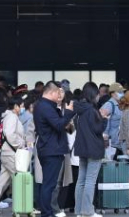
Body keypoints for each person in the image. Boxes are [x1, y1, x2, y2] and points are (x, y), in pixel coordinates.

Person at [34, 81, 75, 217]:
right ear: (52, 92)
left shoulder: (47, 106)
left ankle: (47, 212)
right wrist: (68, 112)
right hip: (51, 150)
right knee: (49, 185)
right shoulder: (45, 107)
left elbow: (62, 126)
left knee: (49, 184)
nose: (60, 96)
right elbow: (58, 125)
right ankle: (46, 213)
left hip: (51, 148)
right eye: (58, 93)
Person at [0, 96, 27, 214]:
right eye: (21, 106)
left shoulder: (7, 116)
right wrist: (20, 144)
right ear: (16, 106)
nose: (23, 108)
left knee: (3, 179)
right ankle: (22, 207)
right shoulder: (12, 117)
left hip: (7, 152)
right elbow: (9, 134)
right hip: (11, 152)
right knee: (20, 179)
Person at [72, 82, 107, 217]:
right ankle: (88, 211)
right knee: (90, 181)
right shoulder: (92, 111)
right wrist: (104, 119)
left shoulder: (78, 109)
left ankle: (79, 211)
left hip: (81, 148)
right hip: (93, 148)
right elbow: (98, 129)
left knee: (81, 181)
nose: (98, 96)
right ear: (93, 94)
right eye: (97, 93)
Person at [100, 83, 124, 160]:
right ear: (113, 94)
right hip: (110, 143)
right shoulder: (109, 105)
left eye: (122, 92)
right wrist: (105, 138)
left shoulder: (120, 105)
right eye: (120, 92)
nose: (122, 94)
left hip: (118, 142)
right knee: (110, 165)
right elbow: (103, 121)